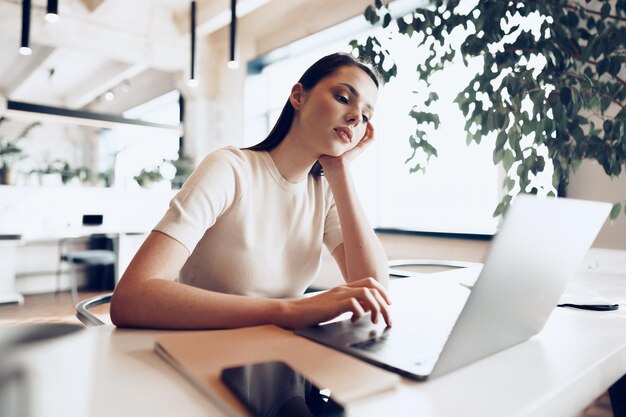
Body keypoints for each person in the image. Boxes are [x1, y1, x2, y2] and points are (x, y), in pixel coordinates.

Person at [110, 52, 392, 330]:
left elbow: (375, 289)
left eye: (367, 116)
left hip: (277, 354)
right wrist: (289, 310)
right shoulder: (229, 170)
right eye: (343, 98)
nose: (356, 117)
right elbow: (131, 298)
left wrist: (339, 170)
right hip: (203, 352)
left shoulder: (326, 192)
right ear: (298, 96)